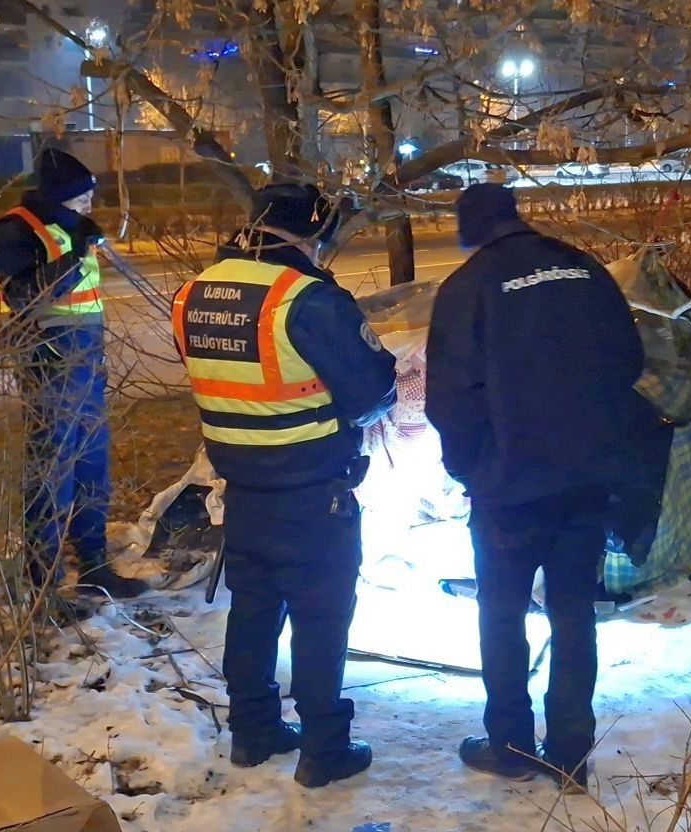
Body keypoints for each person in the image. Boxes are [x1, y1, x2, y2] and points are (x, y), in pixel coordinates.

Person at [172, 183, 396, 788]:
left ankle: (253, 731)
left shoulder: (194, 292)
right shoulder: (308, 299)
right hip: (312, 492)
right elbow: (373, 393)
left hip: (241, 488)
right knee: (321, 618)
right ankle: (324, 749)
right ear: (312, 232)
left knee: (252, 609)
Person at [425, 184, 645, 792]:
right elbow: (629, 362)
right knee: (573, 614)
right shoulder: (583, 269)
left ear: (470, 228)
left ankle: (512, 745)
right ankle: (571, 753)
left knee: (501, 614)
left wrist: (470, 467)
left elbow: (449, 397)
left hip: (508, 488)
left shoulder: (469, 285)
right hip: (585, 478)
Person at [0, 148, 146, 604]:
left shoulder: (69, 227)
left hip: (85, 360)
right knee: (50, 470)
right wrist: (76, 253)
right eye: (81, 197)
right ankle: (44, 585)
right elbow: (25, 296)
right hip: (47, 360)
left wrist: (79, 239)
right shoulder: (16, 230)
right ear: (57, 196)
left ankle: (94, 566)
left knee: (92, 466)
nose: (89, 205)